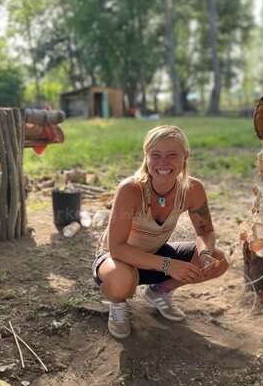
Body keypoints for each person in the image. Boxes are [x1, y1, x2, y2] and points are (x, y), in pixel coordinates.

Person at [92, 125, 229, 339]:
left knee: (219, 259)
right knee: (121, 281)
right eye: (155, 155)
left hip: (154, 254)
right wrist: (168, 265)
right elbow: (117, 248)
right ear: (146, 156)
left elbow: (205, 231)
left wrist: (205, 255)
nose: (163, 163)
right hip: (116, 259)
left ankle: (159, 292)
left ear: (185, 156)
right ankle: (117, 305)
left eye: (172, 155)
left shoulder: (193, 190)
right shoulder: (131, 190)